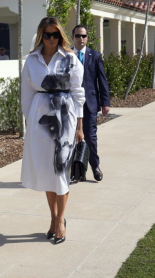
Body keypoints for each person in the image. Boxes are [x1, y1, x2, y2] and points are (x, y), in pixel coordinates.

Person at [21, 17, 85, 244]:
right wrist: (29, 124)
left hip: (65, 118)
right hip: (41, 120)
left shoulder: (71, 58)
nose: (50, 39)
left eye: (54, 34)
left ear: (60, 36)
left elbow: (78, 93)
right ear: (41, 35)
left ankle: (60, 222)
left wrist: (79, 126)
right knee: (48, 172)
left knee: (61, 170)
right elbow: (26, 96)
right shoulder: (31, 60)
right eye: (46, 35)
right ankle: (53, 218)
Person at [71, 25, 110, 181]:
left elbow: (102, 81)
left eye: (84, 36)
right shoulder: (66, 56)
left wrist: (105, 102)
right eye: (78, 36)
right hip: (70, 104)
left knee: (91, 137)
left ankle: (95, 166)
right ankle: (75, 170)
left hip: (90, 104)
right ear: (72, 37)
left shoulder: (95, 56)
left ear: (87, 38)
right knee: (71, 138)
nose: (81, 39)